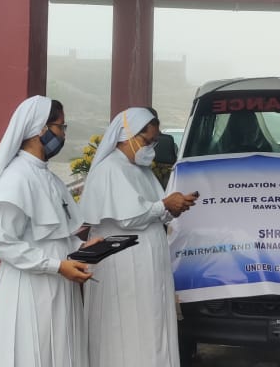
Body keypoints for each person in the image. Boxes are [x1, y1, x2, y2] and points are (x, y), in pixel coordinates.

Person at [0, 95, 95, 367]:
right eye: (60, 127)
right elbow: (5, 244)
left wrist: (82, 250)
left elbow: (58, 233)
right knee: (34, 352)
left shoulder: (50, 178)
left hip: (58, 281)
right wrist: (56, 265)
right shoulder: (16, 179)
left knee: (62, 351)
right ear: (39, 129)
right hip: (30, 286)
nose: (63, 134)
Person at [79, 107, 199, 367]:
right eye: (147, 141)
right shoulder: (110, 169)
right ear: (126, 135)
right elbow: (127, 218)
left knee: (150, 322)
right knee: (124, 325)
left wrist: (173, 207)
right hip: (122, 264)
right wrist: (164, 205)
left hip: (147, 263)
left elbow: (152, 210)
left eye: (154, 142)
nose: (150, 148)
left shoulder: (141, 169)